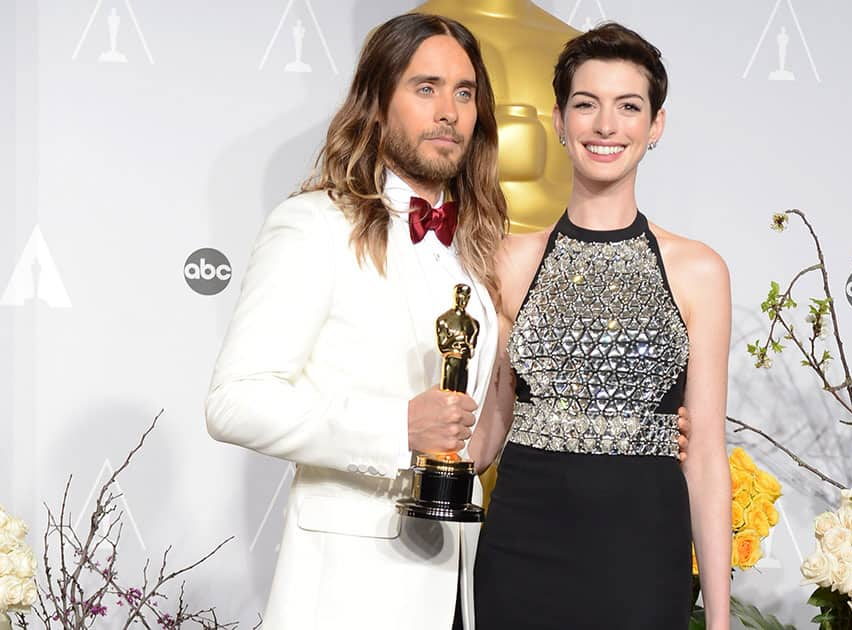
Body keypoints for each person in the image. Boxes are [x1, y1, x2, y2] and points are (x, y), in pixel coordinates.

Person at [204, 13, 506, 630]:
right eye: (425, 88)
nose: (448, 110)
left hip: (457, 586)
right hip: (350, 591)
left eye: (464, 92)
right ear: (376, 104)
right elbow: (234, 402)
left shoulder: (479, 250)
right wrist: (400, 429)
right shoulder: (314, 226)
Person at [471, 22, 733, 629]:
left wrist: (719, 618)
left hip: (642, 558)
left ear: (655, 125)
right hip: (520, 552)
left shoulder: (699, 271)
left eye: (629, 107)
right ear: (559, 122)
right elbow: (492, 425)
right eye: (586, 105)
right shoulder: (508, 261)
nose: (606, 125)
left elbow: (708, 459)